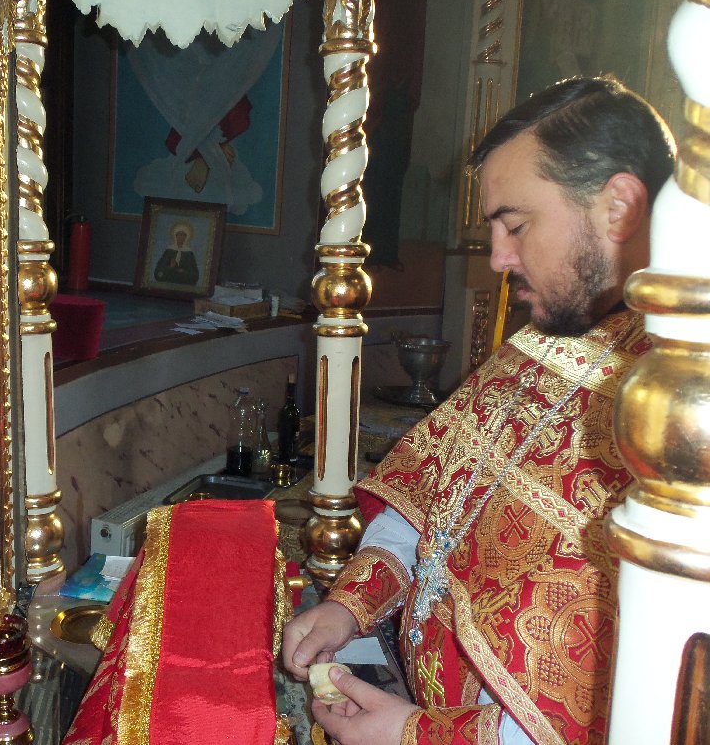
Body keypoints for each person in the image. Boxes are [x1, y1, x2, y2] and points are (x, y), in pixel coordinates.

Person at [282, 76, 675, 745]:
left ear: (620, 206)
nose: (498, 258)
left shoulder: (679, 402)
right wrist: (350, 605)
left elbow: (631, 700)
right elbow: (432, 502)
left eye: (515, 226)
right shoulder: (537, 344)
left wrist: (417, 737)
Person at [153, 220, 200, 285]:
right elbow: (158, 271)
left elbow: (195, 275)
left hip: (183, 283)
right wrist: (170, 267)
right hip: (169, 281)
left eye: (183, 235)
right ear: (175, 236)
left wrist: (184, 272)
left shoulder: (189, 253)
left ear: (186, 238)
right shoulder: (169, 251)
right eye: (179, 235)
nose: (181, 237)